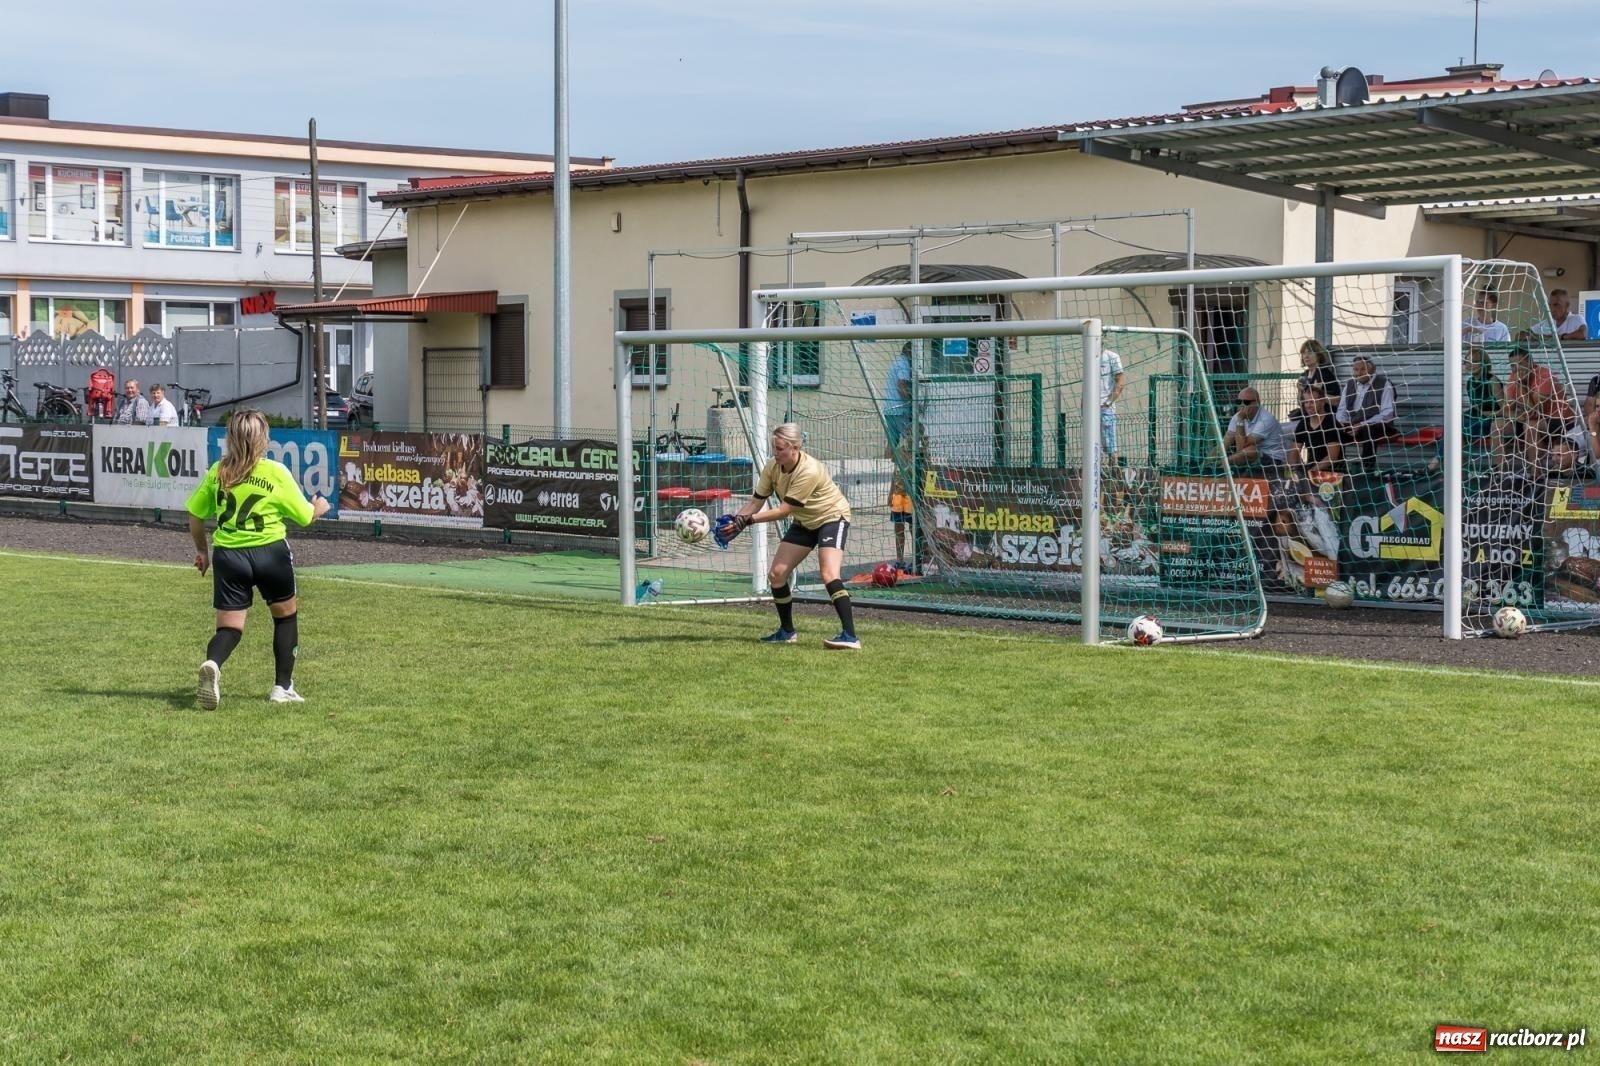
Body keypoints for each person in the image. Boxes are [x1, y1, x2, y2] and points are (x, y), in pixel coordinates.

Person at [186, 409, 330, 708]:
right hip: (270, 553)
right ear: (262, 438)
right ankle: (283, 687)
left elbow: (195, 515)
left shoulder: (218, 472)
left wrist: (202, 551)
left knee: (230, 627)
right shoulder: (275, 472)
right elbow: (304, 517)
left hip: (228, 556)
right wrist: (319, 506)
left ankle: (213, 663)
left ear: (231, 439)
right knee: (285, 616)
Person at [713, 422, 860, 649]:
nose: (775, 452)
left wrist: (747, 521)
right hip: (804, 521)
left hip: (832, 517)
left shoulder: (809, 470)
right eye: (774, 447)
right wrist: (735, 522)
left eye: (780, 448)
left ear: (795, 447)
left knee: (829, 573)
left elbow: (783, 511)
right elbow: (755, 501)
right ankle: (787, 632)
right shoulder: (773, 467)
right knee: (777, 574)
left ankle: (850, 637)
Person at [1503, 345, 1575, 470]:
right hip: (1534, 421)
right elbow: (1507, 409)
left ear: (1531, 362)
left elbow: (1535, 411)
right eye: (1513, 366)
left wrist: (1522, 385)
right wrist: (1516, 416)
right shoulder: (1513, 376)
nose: (1516, 369)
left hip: (1561, 420)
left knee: (1531, 425)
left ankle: (1535, 474)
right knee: (1496, 426)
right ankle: (1499, 473)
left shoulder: (1544, 376)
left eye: (1520, 364)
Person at [1334, 355, 1397, 467]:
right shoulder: (1349, 384)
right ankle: (1338, 468)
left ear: (1373, 369)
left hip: (1379, 426)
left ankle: (1367, 468)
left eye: (1363, 369)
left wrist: (1361, 425)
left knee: (1369, 429)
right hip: (1353, 426)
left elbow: (1387, 414)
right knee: (1334, 429)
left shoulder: (1384, 384)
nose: (1359, 373)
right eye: (1356, 369)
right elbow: (1342, 409)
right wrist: (1342, 422)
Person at [1223, 387, 1288, 472]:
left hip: (1274, 460)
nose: (1242, 405)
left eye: (1246, 402)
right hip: (1254, 460)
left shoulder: (1266, 419)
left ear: (1257, 403)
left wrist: (1240, 421)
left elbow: (1241, 448)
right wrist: (1209, 459)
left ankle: (1222, 464)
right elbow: (1225, 443)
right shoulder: (1237, 416)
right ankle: (1213, 466)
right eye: (1239, 402)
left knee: (1251, 450)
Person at [1289, 385, 1342, 475]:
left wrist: (1311, 472)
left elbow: (1332, 457)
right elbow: (1295, 451)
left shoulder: (1331, 423)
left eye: (1312, 402)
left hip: (1334, 473)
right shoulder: (1303, 423)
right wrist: (1294, 471)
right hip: (1311, 470)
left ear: (1322, 402)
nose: (1308, 406)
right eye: (1306, 402)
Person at [882, 342, 913, 450]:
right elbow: (901, 387)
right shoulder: (904, 364)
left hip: (888, 408)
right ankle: (911, 465)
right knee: (911, 439)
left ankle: (887, 465)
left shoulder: (896, 362)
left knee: (892, 442)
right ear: (911, 352)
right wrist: (912, 400)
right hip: (900, 410)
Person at [1099, 347, 1125, 462]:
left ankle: (1114, 469)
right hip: (1090, 407)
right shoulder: (1088, 354)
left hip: (1105, 408)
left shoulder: (1112, 356)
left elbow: (1121, 381)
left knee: (1110, 445)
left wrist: (1108, 403)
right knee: (1091, 443)